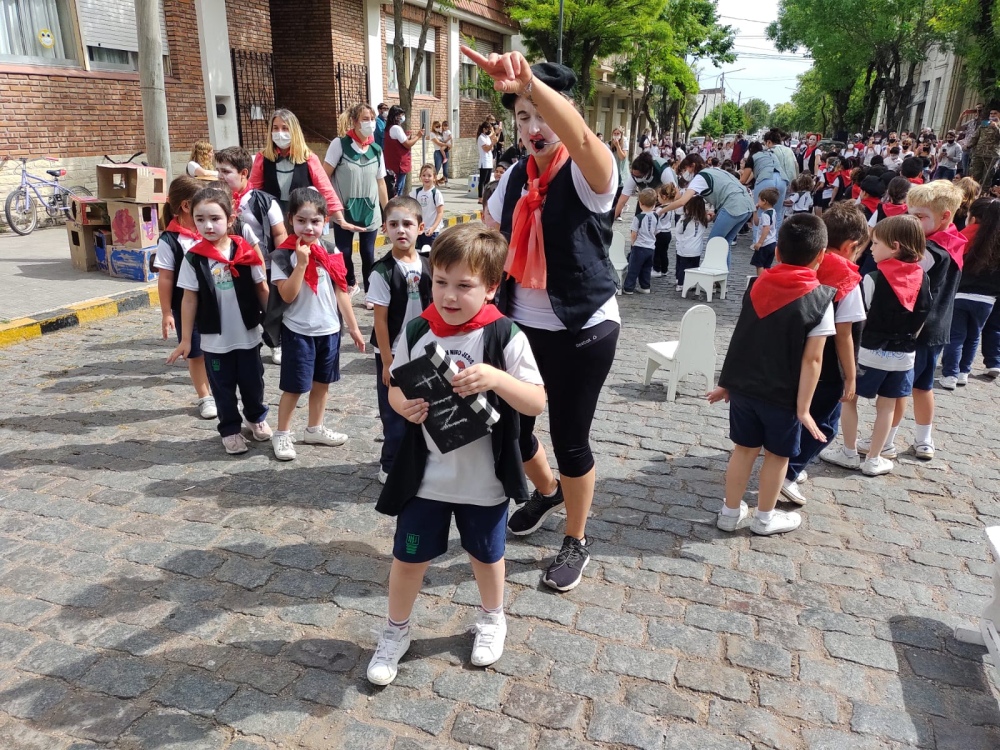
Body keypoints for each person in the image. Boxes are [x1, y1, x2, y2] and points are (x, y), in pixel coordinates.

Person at [367, 223, 545, 686]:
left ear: (490, 287)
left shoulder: (505, 335)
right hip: (425, 478)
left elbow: (536, 400)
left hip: (482, 479)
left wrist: (495, 378)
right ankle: (396, 630)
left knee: (486, 556)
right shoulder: (419, 328)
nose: (448, 294)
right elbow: (394, 386)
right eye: (440, 281)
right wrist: (402, 405)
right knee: (408, 559)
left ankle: (492, 617)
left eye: (464, 285)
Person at [474, 52, 620, 593]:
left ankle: (575, 538)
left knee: (571, 438)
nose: (532, 128)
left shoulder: (588, 174)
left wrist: (531, 83)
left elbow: (580, 139)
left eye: (540, 115)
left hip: (584, 326)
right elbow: (486, 240)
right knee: (513, 428)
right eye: (521, 116)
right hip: (521, 326)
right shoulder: (513, 175)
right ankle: (548, 491)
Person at [708, 214, 836, 535]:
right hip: (784, 397)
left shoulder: (756, 284)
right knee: (777, 457)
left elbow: (742, 336)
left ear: (777, 252)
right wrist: (804, 408)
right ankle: (765, 518)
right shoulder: (821, 299)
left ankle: (729, 511)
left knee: (743, 450)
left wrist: (727, 383)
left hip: (745, 390)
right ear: (821, 256)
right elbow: (813, 361)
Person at [167, 187, 270, 455]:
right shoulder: (194, 258)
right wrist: (187, 339)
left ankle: (256, 417)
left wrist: (273, 323)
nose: (208, 225)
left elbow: (262, 288)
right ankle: (230, 430)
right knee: (222, 388)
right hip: (214, 339)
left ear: (231, 218)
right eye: (200, 219)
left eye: (215, 218)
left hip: (247, 334)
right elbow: (189, 299)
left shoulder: (245, 250)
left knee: (253, 381)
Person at [824, 216, 931, 476]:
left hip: (870, 351)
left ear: (894, 246)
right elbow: (925, 315)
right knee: (888, 406)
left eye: (875, 243)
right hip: (904, 355)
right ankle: (874, 457)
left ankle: (849, 451)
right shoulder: (923, 278)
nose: (871, 248)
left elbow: (861, 316)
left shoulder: (872, 278)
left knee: (849, 399)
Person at [265, 188, 365, 461]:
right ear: (290, 220)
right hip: (298, 330)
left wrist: (354, 327)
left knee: (322, 383)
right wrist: (301, 265)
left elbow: (341, 290)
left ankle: (315, 428)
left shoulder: (331, 250)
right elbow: (287, 294)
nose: (308, 227)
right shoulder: (283, 256)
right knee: (295, 386)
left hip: (329, 329)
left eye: (315, 221)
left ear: (326, 221)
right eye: (301, 220)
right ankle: (282, 433)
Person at [780, 202, 869, 504]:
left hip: (795, 356)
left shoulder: (806, 262)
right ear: (850, 246)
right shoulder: (848, 280)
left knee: (797, 412)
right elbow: (845, 334)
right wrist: (851, 374)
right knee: (825, 423)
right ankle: (789, 471)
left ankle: (784, 461)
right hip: (829, 368)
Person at [367, 196, 433, 483]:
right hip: (394, 353)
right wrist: (386, 361)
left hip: (426, 352)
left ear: (421, 227)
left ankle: (421, 458)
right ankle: (390, 463)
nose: (401, 230)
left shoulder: (431, 264)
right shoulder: (382, 271)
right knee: (394, 414)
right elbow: (380, 320)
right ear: (384, 229)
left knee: (424, 409)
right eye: (394, 224)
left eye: (407, 224)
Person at [904, 181, 967, 459]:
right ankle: (924, 440)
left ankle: (886, 440)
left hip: (917, 327)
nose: (913, 221)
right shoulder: (953, 239)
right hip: (939, 324)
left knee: (900, 389)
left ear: (944, 216)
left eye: (919, 216)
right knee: (923, 386)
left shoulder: (928, 250)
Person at [216, 146, 290, 364]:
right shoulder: (215, 199)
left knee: (269, 306)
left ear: (244, 173)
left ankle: (276, 342)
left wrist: (280, 266)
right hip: (232, 267)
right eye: (218, 171)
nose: (221, 176)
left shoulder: (263, 201)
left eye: (226, 171)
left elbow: (279, 234)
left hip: (263, 264)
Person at [154, 176, 216, 420]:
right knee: (195, 353)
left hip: (216, 302)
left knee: (217, 350)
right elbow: (166, 278)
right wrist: (167, 312)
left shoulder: (211, 231)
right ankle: (204, 396)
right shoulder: (170, 240)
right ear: (186, 206)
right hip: (186, 306)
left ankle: (220, 388)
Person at [323, 103, 390, 302]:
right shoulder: (339, 145)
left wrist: (387, 213)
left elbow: (381, 183)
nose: (369, 123)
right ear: (354, 122)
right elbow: (324, 176)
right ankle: (351, 282)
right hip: (344, 210)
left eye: (372, 118)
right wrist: (329, 206)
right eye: (365, 119)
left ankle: (371, 292)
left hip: (370, 210)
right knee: (344, 252)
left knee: (368, 253)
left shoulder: (377, 150)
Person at [249, 109, 353, 230]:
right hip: (272, 219)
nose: (279, 133)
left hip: (302, 220)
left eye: (285, 128)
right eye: (275, 128)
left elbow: (325, 189)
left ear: (294, 131)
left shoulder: (308, 158)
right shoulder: (263, 157)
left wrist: (341, 220)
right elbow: (253, 190)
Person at [939, 198, 1000, 388]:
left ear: (973, 218)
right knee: (974, 336)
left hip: (960, 294)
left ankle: (950, 374)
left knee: (956, 336)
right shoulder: (995, 242)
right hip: (987, 300)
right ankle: (964, 371)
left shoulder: (965, 236)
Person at [662, 154, 756, 265]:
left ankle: (714, 273)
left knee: (714, 242)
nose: (685, 173)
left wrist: (661, 210)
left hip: (733, 206)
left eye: (685, 169)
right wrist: (716, 212)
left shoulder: (700, 178)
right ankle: (723, 274)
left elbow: (682, 201)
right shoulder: (714, 170)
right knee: (724, 243)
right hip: (747, 205)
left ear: (692, 166)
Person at [613, 151, 677, 220]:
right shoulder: (634, 175)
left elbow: (676, 195)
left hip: (663, 198)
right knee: (638, 220)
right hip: (646, 196)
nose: (635, 178)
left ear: (647, 172)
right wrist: (611, 220)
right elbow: (622, 201)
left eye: (638, 176)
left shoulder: (663, 170)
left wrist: (661, 209)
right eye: (634, 175)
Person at [384, 105, 424, 197]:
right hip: (399, 163)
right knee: (398, 188)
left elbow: (400, 141)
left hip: (393, 162)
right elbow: (407, 144)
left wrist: (406, 137)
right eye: (401, 115)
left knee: (396, 187)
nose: (402, 117)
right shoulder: (396, 128)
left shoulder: (389, 127)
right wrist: (418, 135)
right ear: (396, 116)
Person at [623, 188, 658, 294]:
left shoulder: (638, 217)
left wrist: (633, 243)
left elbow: (634, 233)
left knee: (633, 268)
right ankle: (645, 286)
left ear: (640, 203)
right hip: (651, 247)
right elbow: (656, 230)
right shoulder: (656, 216)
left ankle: (629, 288)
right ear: (654, 204)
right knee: (646, 269)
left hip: (639, 246)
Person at [672, 194, 708, 292]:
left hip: (685, 248)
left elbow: (679, 230)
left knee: (682, 267)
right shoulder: (703, 220)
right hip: (697, 249)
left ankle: (680, 284)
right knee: (694, 268)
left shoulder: (685, 220)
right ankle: (693, 283)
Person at [412, 164, 445, 252]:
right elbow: (409, 206)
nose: (426, 178)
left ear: (434, 177)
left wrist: (433, 227)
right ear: (420, 177)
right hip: (419, 230)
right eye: (424, 175)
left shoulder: (436, 193)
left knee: (431, 254)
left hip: (432, 231)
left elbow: (440, 213)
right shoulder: (416, 192)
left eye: (429, 176)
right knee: (418, 253)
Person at [750, 187, 779, 275]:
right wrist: (755, 212)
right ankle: (766, 280)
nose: (758, 202)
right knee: (767, 265)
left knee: (759, 264)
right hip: (772, 242)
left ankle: (760, 280)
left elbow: (766, 228)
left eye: (759, 200)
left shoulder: (766, 215)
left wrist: (759, 242)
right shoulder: (773, 212)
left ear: (764, 201)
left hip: (765, 243)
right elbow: (756, 223)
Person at [652, 183, 678, 279]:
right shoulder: (672, 207)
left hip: (659, 232)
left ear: (663, 196)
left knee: (657, 252)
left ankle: (656, 269)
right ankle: (664, 269)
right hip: (668, 232)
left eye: (658, 196)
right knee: (664, 252)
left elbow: (655, 219)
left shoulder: (661, 209)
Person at [477, 120, 498, 203]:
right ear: (484, 129)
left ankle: (486, 196)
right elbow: (486, 149)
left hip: (489, 161)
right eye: (488, 129)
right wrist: (492, 143)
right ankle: (480, 197)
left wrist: (497, 133)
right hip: (484, 161)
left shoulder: (487, 137)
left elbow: (491, 147)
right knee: (482, 180)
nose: (489, 131)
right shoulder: (481, 138)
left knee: (487, 180)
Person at [431, 120, 450, 186]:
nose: (438, 127)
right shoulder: (432, 134)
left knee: (446, 168)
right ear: (433, 127)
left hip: (445, 151)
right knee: (437, 168)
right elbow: (438, 143)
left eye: (439, 126)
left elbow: (448, 138)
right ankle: (433, 181)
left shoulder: (441, 133)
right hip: (438, 152)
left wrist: (449, 145)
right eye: (437, 126)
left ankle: (446, 181)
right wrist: (447, 144)